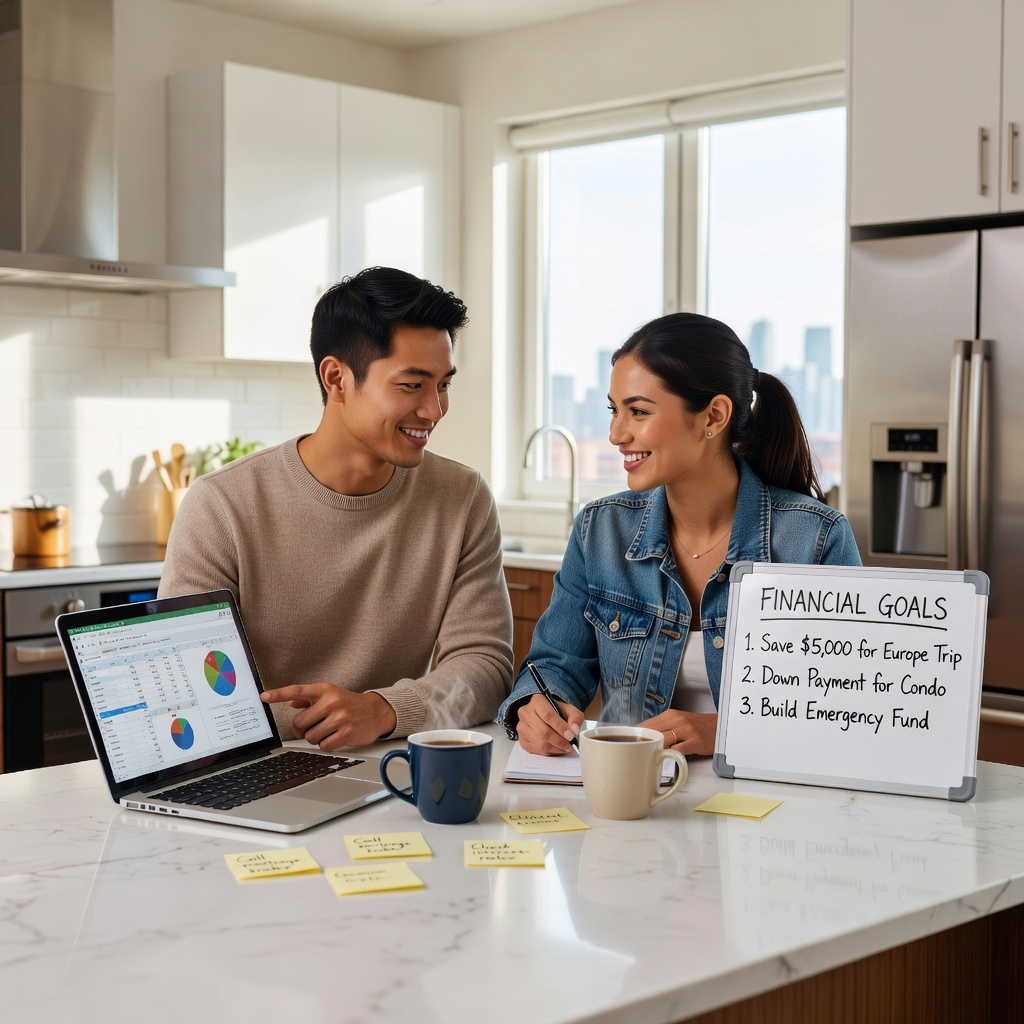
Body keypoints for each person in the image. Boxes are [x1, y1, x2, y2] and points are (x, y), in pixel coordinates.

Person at [160, 267, 514, 750]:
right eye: (412, 386)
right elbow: (187, 684)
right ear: (336, 378)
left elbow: (484, 666)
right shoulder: (221, 505)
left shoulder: (463, 498)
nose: (434, 410)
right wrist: (320, 723)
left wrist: (383, 709)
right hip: (257, 767)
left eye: (443, 384)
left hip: (389, 760)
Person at [498, 312, 861, 757]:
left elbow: (846, 711)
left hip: (771, 808)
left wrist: (725, 732)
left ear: (713, 415)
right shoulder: (600, 531)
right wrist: (538, 707)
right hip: (635, 803)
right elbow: (554, 666)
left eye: (638, 411)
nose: (616, 434)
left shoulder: (816, 541)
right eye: (614, 410)